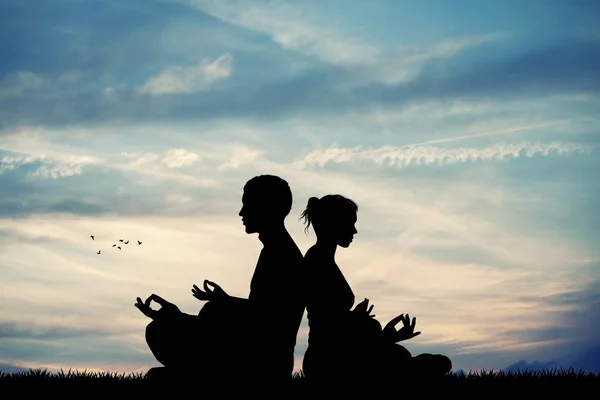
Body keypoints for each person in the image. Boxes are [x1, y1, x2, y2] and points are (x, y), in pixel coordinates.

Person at [135, 175, 306, 383]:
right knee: (162, 329)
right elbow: (259, 313)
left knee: (161, 336)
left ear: (268, 207)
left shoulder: (282, 255)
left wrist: (221, 305)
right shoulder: (276, 251)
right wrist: (180, 316)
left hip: (263, 364)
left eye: (248, 204)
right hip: (260, 359)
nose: (242, 212)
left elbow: (269, 320)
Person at [300, 194, 452, 384]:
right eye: (350, 223)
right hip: (330, 360)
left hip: (340, 355)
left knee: (429, 361)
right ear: (334, 224)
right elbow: (330, 329)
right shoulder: (317, 261)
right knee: (429, 363)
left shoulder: (322, 259)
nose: (354, 231)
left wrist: (385, 335)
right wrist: (358, 321)